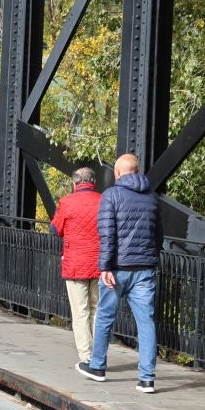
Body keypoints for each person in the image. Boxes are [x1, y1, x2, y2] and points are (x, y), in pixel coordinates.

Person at [92, 152, 162, 391]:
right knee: (146, 323)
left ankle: (98, 367)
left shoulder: (111, 195)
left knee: (105, 316)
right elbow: (158, 236)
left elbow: (107, 235)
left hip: (118, 269)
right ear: (137, 170)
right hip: (145, 270)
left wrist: (105, 266)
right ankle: (147, 378)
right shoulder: (152, 198)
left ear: (118, 173)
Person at [49, 165, 103, 377]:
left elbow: (55, 230)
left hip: (75, 265)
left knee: (80, 312)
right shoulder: (103, 201)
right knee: (98, 309)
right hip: (100, 265)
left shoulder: (66, 202)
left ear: (74, 183)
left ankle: (86, 357)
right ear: (94, 182)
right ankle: (98, 355)